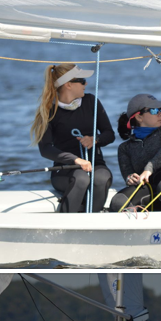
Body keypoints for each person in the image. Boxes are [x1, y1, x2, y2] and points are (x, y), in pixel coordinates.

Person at [31, 63, 114, 213]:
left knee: (101, 177)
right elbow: (45, 149)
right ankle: (64, 227)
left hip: (95, 165)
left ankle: (92, 225)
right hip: (64, 170)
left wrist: (95, 139)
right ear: (68, 84)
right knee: (82, 178)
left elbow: (109, 134)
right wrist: (76, 160)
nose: (86, 84)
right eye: (82, 81)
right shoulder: (49, 110)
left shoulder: (91, 102)